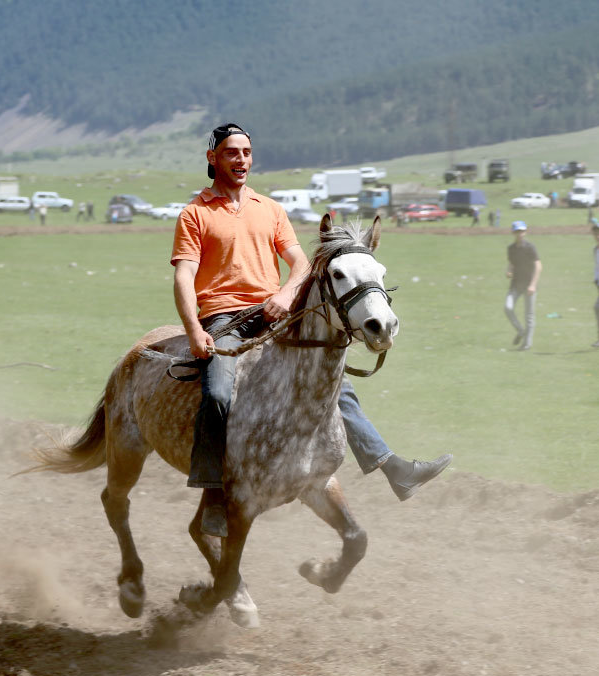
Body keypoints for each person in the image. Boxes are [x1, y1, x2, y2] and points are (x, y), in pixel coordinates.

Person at [172, 123, 450, 535]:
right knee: (215, 392)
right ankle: (213, 495)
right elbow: (184, 277)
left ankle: (394, 468)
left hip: (273, 314)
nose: (242, 159)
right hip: (223, 318)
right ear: (213, 159)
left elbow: (301, 265)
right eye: (232, 153)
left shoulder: (269, 209)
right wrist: (194, 330)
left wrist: (284, 296)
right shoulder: (195, 213)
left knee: (336, 386)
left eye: (247, 152)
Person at [504, 221, 541, 352]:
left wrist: (533, 285)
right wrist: (509, 271)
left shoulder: (530, 247)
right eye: (517, 231)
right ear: (513, 232)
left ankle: (526, 345)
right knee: (507, 307)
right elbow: (511, 263)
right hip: (515, 284)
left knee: (529, 315)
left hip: (529, 285)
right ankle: (520, 330)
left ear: (525, 232)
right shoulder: (511, 248)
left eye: (522, 231)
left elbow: (538, 266)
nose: (520, 234)